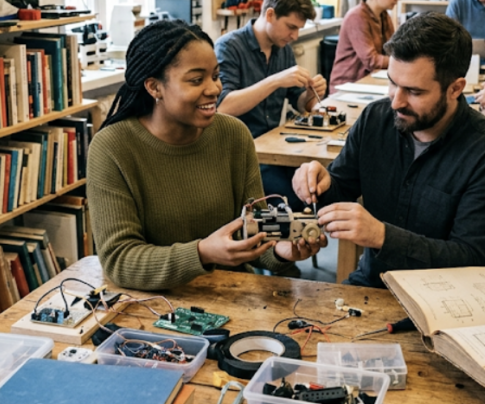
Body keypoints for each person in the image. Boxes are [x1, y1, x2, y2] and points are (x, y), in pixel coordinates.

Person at [87, 20, 324, 291]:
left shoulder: (234, 135)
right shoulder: (112, 148)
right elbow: (119, 260)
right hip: (151, 308)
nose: (214, 89)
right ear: (154, 87)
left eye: (215, 75)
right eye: (196, 80)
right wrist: (201, 253)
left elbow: (256, 230)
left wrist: (282, 249)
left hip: (231, 295)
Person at [292, 12, 485, 288]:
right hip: (375, 283)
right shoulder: (376, 119)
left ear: (455, 88)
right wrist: (320, 183)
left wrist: (382, 236)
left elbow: (471, 258)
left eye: (414, 92)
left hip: (452, 298)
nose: (396, 101)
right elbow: (340, 191)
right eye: (392, 82)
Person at [215, 0, 329, 212]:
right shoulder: (228, 47)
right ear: (270, 14)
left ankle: (302, 244)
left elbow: (300, 103)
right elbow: (223, 107)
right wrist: (276, 80)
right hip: (241, 154)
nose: (295, 36)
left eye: (298, 29)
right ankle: (288, 245)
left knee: (315, 188)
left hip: (275, 150)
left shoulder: (282, 49)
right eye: (290, 27)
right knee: (295, 200)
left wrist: (312, 93)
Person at [329, 0, 400, 92]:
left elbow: (392, 49)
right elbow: (372, 61)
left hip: (369, 82)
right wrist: (400, 61)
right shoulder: (356, 17)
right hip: (348, 86)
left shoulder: (384, 16)